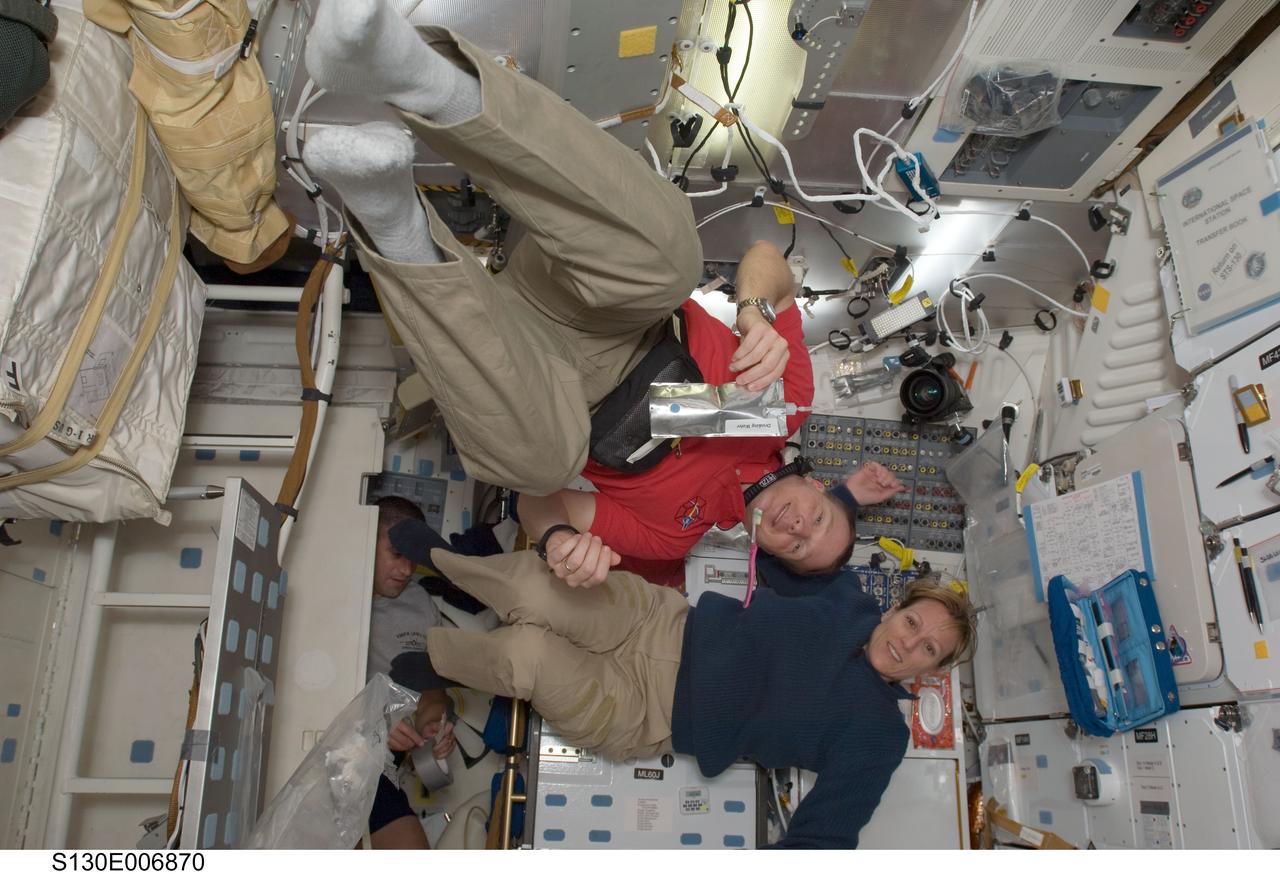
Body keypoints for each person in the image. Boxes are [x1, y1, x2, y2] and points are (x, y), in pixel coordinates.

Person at [300, 0, 906, 592]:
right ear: (821, 488)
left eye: (797, 547)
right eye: (817, 518)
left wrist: (558, 539)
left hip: (537, 380)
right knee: (674, 266)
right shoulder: (784, 405)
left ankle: (388, 210)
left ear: (766, 555)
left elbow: (543, 504)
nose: (798, 525)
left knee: (540, 463)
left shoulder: (672, 535)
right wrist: (754, 312)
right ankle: (417, 74)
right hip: (598, 302)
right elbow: (767, 258)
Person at [388, 527, 976, 849]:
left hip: (647, 711)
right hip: (661, 621)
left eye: (928, 649)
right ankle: (443, 560)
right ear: (895, 607)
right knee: (536, 593)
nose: (907, 643)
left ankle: (442, 661)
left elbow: (827, 837)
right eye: (912, 623)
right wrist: (839, 502)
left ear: (935, 671)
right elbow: (780, 537)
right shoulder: (844, 595)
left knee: (527, 657)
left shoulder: (878, 737)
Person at [365, 497, 457, 850]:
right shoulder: (334, 597)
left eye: (413, 559)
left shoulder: (420, 603)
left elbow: (432, 692)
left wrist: (432, 726)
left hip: (384, 770)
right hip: (337, 758)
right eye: (395, 554)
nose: (405, 570)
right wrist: (374, 728)